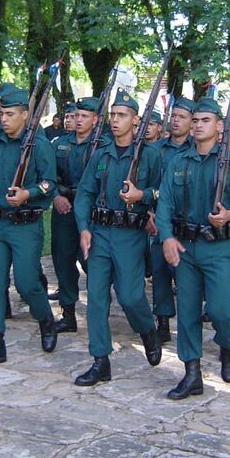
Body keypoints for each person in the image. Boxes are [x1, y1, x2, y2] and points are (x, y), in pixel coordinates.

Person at [155, 97, 230, 399]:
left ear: (220, 126)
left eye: (205, 120)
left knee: (221, 311)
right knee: (187, 312)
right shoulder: (178, 161)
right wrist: (166, 237)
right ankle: (192, 373)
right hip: (185, 247)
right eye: (195, 120)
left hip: (217, 248)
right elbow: (164, 203)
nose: (198, 125)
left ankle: (228, 346)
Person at [72, 88, 162, 386]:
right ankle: (100, 360)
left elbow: (164, 193)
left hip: (130, 235)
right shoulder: (102, 153)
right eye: (112, 114)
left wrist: (143, 196)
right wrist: (84, 228)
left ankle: (147, 329)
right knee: (96, 299)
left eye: (121, 115)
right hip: (100, 234)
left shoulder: (150, 155)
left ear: (135, 120)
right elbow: (85, 193)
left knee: (130, 296)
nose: (115, 119)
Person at [0, 85, 58, 364]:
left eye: (10, 114)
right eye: (1, 114)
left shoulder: (39, 144)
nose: (3, 119)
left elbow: (50, 183)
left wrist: (29, 193)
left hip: (26, 226)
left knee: (27, 284)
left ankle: (46, 319)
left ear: (25, 115)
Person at [50, 97, 104, 333]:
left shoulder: (103, 146)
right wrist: (55, 196)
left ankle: (98, 312)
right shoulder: (60, 143)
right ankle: (68, 313)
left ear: (95, 119)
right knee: (63, 260)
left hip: (92, 213)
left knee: (93, 262)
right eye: (75, 115)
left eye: (84, 116)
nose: (78, 120)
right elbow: (46, 174)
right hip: (65, 208)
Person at [150, 97, 195, 343]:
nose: (176, 121)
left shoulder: (197, 149)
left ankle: (189, 324)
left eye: (182, 117)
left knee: (185, 276)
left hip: (188, 224)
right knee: (160, 273)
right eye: (173, 116)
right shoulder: (156, 149)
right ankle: (163, 321)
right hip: (160, 220)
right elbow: (147, 183)